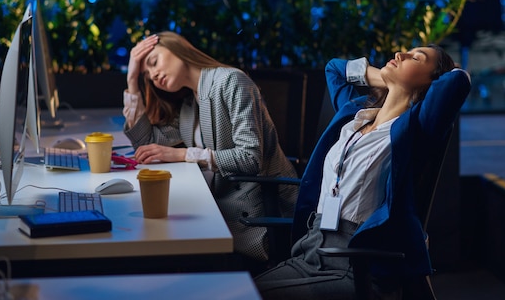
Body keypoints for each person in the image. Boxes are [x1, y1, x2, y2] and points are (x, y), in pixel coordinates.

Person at [254, 45, 471, 299]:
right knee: (228, 291)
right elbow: (333, 68)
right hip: (308, 251)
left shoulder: (416, 129)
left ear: (430, 82)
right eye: (405, 52)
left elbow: (457, 80)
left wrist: (402, 85)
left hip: (355, 264)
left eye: (416, 58)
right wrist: (385, 78)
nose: (400, 55)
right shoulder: (355, 114)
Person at [122, 31, 298, 264]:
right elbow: (146, 145)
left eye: (154, 63)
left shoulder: (231, 81)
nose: (154, 75)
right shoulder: (189, 105)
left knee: (161, 249)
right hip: (218, 206)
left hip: (259, 215)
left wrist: (184, 154)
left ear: (178, 49)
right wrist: (132, 81)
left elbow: (250, 158)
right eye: (148, 75)